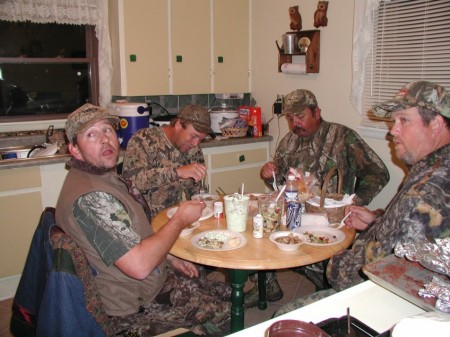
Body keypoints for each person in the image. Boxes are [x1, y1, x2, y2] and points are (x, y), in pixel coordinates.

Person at [274, 80, 450, 316]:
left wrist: (354, 203)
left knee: (282, 319)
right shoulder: (432, 168)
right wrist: (376, 220)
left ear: (436, 124)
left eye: (404, 120)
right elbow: (407, 234)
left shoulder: (425, 193)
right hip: (305, 222)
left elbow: (376, 270)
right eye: (394, 120)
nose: (392, 130)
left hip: (390, 302)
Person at [55, 103, 231, 336]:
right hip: (131, 308)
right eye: (91, 135)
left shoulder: (103, 178)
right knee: (224, 314)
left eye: (107, 130)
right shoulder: (92, 198)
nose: (105, 140)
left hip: (148, 282)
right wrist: (179, 219)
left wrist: (168, 258)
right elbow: (138, 266)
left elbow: (129, 237)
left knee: (225, 295)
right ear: (74, 149)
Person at [246, 89, 390, 307]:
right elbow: (282, 183)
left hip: (327, 221)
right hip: (291, 216)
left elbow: (378, 173)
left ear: (316, 112)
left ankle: (325, 302)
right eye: (290, 118)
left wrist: (355, 201)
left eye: (300, 116)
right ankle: (267, 286)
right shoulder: (288, 142)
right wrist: (269, 174)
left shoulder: (342, 137)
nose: (295, 123)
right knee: (255, 235)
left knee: (327, 274)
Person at [122, 104, 213, 220]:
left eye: (200, 139)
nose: (196, 144)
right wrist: (177, 172)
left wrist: (202, 205)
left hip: (172, 217)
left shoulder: (193, 149)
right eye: (194, 136)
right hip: (141, 222)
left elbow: (195, 192)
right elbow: (132, 181)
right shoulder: (143, 140)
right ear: (179, 125)